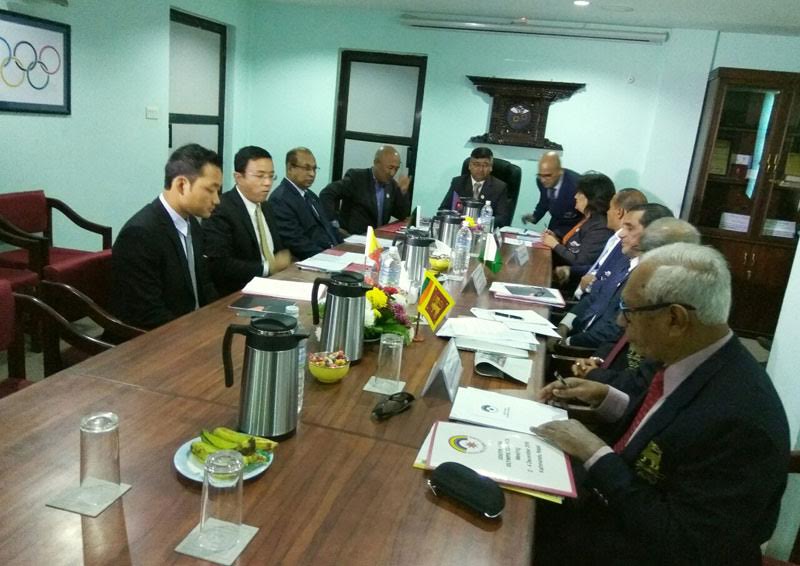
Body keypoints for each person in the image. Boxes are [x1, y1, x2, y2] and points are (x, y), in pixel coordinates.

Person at [533, 243, 790, 566]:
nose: (620, 322)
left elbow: (684, 543)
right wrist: (606, 397)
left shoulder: (742, 421)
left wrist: (593, 451)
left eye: (630, 311)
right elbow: (661, 425)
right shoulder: (686, 355)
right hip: (611, 511)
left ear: (675, 319)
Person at [111, 144, 221, 329]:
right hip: (156, 337)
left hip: (191, 326)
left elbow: (204, 285)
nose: (217, 199)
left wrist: (218, 319)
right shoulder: (140, 235)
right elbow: (146, 314)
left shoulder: (192, 224)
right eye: (211, 190)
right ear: (181, 185)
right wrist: (197, 333)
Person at [555, 203, 676, 349]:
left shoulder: (649, 280)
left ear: (654, 235)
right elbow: (594, 296)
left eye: (630, 228)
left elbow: (614, 331)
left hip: (588, 350)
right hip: (577, 333)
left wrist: (567, 342)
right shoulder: (623, 261)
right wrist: (564, 325)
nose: (621, 234)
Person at [202, 146, 291, 296]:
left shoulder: (266, 207)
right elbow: (219, 265)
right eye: (260, 176)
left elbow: (278, 251)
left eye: (271, 176)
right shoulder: (221, 209)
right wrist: (268, 267)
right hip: (239, 293)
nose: (268, 183)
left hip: (274, 285)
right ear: (238, 177)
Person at [553, 188, 647, 298]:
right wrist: (570, 270)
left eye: (610, 208)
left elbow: (609, 282)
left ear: (619, 212)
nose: (607, 212)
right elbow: (601, 267)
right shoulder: (615, 239)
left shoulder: (625, 247)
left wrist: (591, 285)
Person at [319, 145, 411, 235]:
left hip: (378, 238)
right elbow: (327, 194)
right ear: (376, 163)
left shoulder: (391, 185)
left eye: (396, 169)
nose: (392, 173)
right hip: (353, 237)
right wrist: (333, 224)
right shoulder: (357, 178)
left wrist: (402, 192)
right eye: (390, 168)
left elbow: (402, 215)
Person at [269, 147, 342, 260]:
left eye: (314, 169)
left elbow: (327, 227)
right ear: (290, 168)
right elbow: (296, 242)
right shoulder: (280, 199)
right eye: (307, 168)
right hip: (309, 260)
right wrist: (327, 257)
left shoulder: (311, 195)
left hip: (331, 255)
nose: (312, 174)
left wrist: (342, 249)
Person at [540, 172, 615, 268]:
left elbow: (580, 262)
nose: (575, 196)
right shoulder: (588, 218)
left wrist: (555, 245)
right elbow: (573, 248)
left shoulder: (600, 228)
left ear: (591, 198)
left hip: (566, 274)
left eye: (579, 193)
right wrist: (557, 240)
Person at [438, 146, 511, 227]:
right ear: (470, 166)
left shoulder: (499, 187)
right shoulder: (458, 183)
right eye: (476, 164)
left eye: (485, 165)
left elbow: (502, 219)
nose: (480, 169)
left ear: (491, 167)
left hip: (483, 230)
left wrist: (479, 223)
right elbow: (443, 210)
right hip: (459, 228)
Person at [521, 151, 581, 238]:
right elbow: (545, 201)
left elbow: (586, 217)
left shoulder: (576, 185)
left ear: (559, 172)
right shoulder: (540, 180)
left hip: (574, 228)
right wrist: (535, 217)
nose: (543, 180)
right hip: (555, 224)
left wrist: (559, 235)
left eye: (547, 176)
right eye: (540, 175)